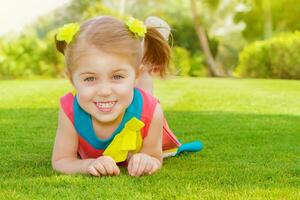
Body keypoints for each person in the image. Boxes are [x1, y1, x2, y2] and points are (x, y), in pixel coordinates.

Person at [51, 15, 202, 177]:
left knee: (145, 96)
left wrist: (147, 160)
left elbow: (154, 157)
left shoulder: (152, 111)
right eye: (90, 78)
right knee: (128, 93)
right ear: (71, 79)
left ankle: (144, 54)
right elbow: (62, 160)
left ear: (137, 74)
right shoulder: (70, 111)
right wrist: (88, 165)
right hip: (131, 95)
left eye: (117, 76)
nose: (104, 91)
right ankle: (138, 56)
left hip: (141, 109)